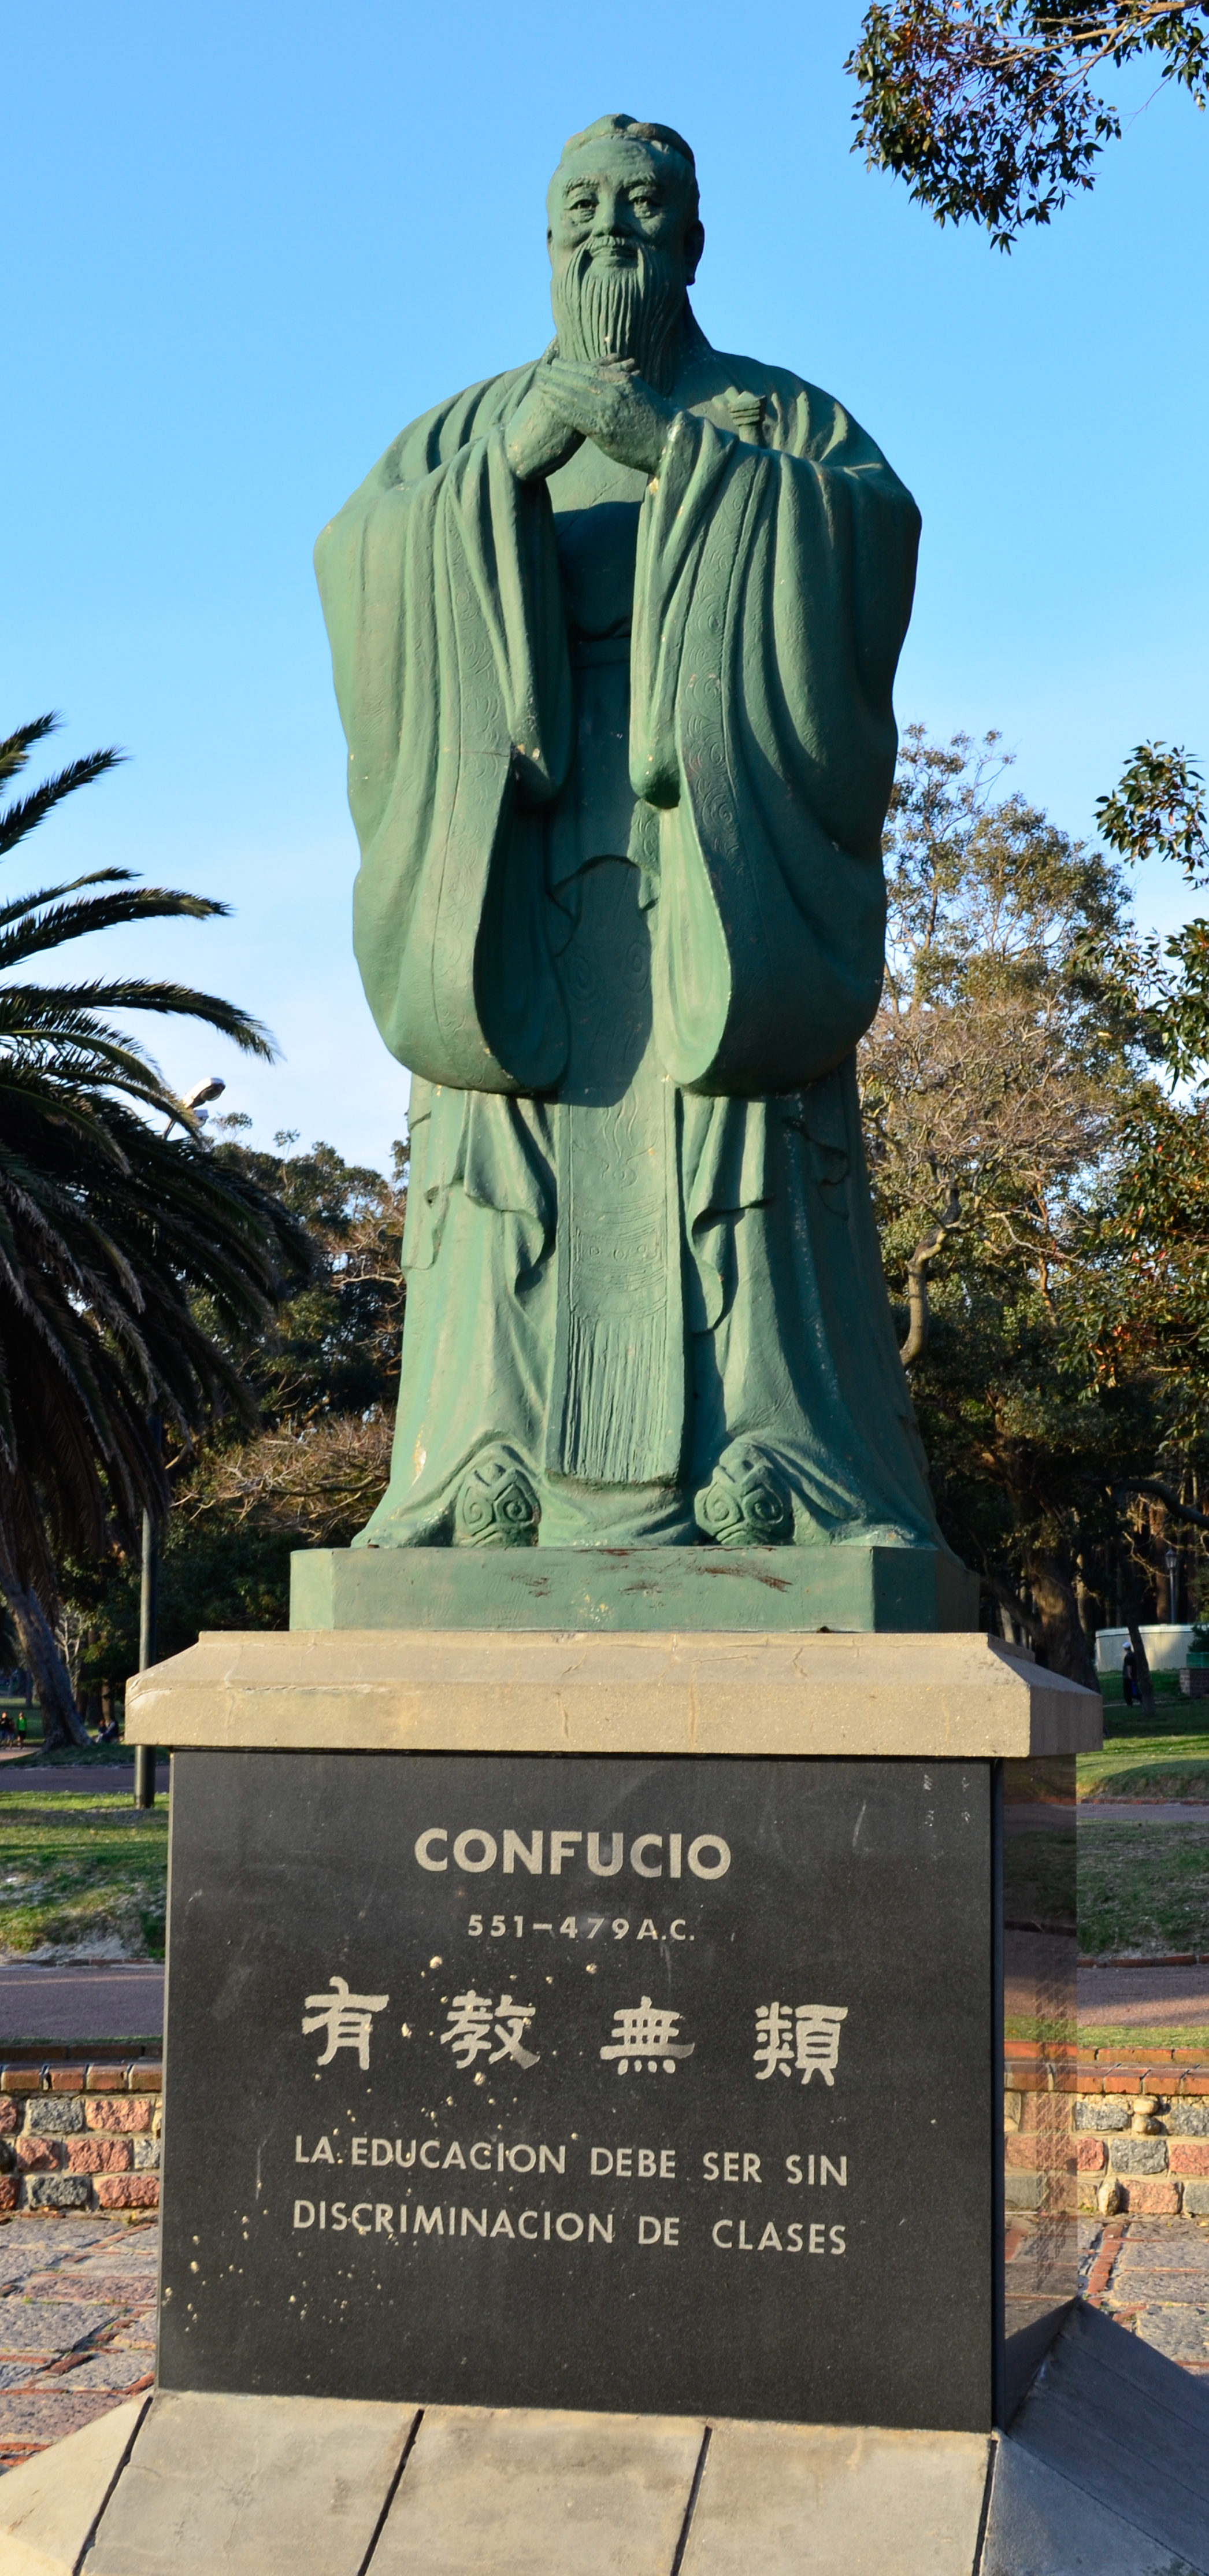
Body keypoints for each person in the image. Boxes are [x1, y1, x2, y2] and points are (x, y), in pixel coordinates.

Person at [316, 113, 950, 1557]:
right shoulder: (463, 435)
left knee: (744, 1154)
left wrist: (677, 461)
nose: (613, 229)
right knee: (498, 1176)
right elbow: (360, 561)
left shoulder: (780, 425)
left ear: (693, 239)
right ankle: (484, 1462)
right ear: (547, 241)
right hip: (512, 867)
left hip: (712, 876)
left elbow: (869, 538)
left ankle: (777, 1459)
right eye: (583, 206)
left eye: (645, 205)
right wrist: (502, 480)